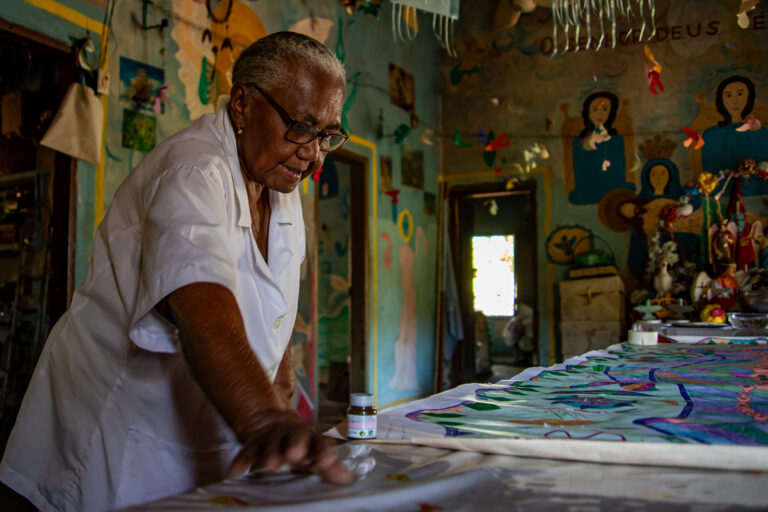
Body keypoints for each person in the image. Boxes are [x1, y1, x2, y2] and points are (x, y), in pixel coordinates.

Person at [0, 31, 353, 511]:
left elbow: (269, 292)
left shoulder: (279, 183)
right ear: (243, 105)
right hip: (112, 438)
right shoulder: (193, 171)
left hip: (196, 436)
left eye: (327, 134)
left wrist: (278, 378)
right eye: (301, 127)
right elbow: (200, 301)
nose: (314, 153)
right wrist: (264, 420)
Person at [701, 75, 768, 196]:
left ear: (749, 97)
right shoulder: (711, 135)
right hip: (722, 199)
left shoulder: (762, 133)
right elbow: (710, 175)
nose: (734, 101)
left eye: (740, 94)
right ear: (721, 100)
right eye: (728, 96)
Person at [569, 91, 635, 205]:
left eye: (605, 109)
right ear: (587, 112)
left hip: (612, 188)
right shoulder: (579, 143)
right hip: (588, 190)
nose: (600, 114)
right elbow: (579, 174)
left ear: (611, 112)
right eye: (595, 110)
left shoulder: (616, 140)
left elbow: (619, 171)